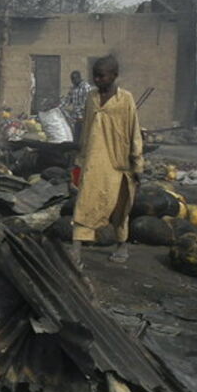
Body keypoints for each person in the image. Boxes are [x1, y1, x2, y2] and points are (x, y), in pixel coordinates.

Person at [71, 56, 143, 265]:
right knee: (84, 203)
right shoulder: (91, 97)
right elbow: (86, 131)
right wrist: (79, 160)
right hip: (94, 162)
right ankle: (75, 251)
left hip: (119, 163)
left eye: (101, 76)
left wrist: (138, 164)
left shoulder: (125, 99)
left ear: (114, 75)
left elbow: (134, 132)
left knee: (120, 208)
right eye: (95, 75)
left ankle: (121, 244)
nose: (97, 79)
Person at [60, 70, 93, 141]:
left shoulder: (86, 87)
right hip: (76, 119)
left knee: (85, 138)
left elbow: (88, 103)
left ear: (79, 78)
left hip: (84, 118)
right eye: (72, 79)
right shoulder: (73, 89)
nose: (73, 81)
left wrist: (78, 110)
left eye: (74, 79)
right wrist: (57, 106)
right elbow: (67, 100)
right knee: (76, 139)